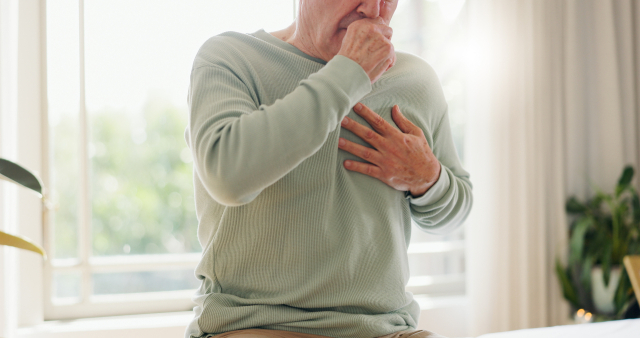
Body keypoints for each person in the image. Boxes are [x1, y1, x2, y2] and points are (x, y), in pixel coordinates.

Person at [184, 0, 473, 337]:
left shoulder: (416, 80)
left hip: (385, 330)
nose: (373, 10)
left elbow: (456, 210)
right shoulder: (230, 58)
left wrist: (428, 178)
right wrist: (349, 72)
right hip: (256, 326)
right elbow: (227, 175)